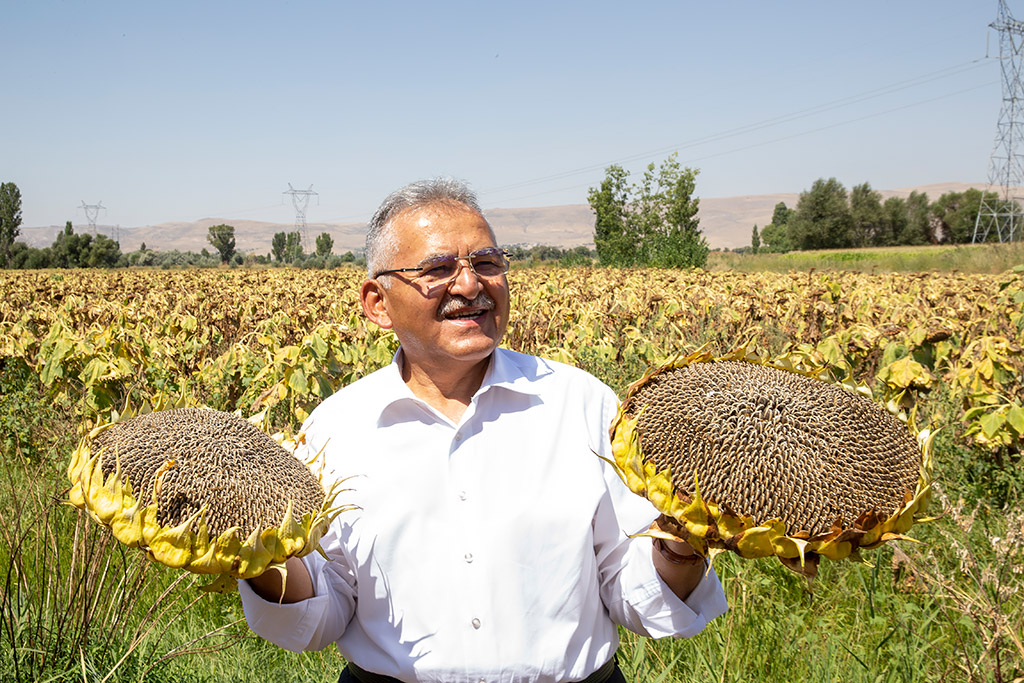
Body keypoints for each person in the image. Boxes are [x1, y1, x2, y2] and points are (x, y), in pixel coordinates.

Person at [239, 178, 728, 683]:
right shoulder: (337, 427)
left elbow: (634, 588)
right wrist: (250, 551)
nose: (470, 285)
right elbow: (322, 613)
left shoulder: (582, 403)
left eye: (487, 263)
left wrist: (681, 540)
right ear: (377, 303)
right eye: (438, 268)